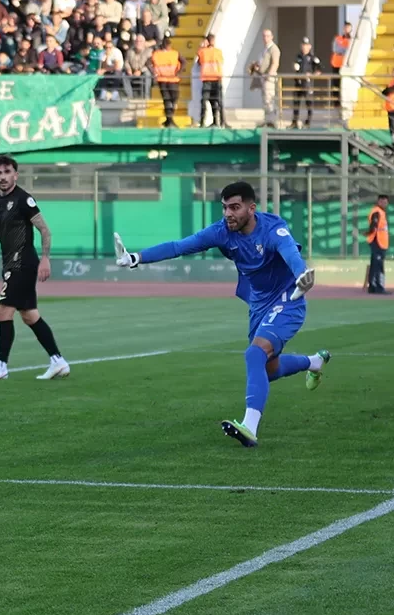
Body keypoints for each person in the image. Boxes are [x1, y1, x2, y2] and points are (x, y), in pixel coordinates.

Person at [114, 181, 325, 447]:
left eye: (235, 207)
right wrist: (136, 258)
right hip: (259, 305)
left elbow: (291, 255)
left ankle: (249, 428)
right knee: (268, 370)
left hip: (288, 299)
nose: (228, 214)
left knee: (254, 354)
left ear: (251, 208)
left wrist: (302, 275)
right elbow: (180, 246)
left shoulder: (273, 228)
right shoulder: (222, 231)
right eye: (225, 207)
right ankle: (313, 362)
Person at [0, 155, 70, 381]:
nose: (3, 177)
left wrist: (45, 258)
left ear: (16, 174)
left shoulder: (24, 199)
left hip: (23, 262)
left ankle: (1, 365)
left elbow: (44, 230)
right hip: (10, 263)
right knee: (29, 315)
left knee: (3, 310)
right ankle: (58, 361)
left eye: (7, 172)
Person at [149, 38, 181, 128]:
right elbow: (148, 62)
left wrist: (154, 72)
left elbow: (183, 61)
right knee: (169, 100)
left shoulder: (172, 53)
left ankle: (168, 120)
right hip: (167, 79)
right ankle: (170, 120)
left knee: (171, 100)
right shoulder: (160, 54)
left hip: (168, 79)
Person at [291, 38, 322, 129]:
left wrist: (312, 75)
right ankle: (294, 122)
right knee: (296, 102)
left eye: (306, 45)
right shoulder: (298, 56)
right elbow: (295, 66)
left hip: (307, 83)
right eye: (303, 45)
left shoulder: (312, 58)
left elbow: (319, 69)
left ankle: (308, 122)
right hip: (298, 82)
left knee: (309, 103)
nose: (304, 47)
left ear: (309, 46)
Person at [366, 194, 390, 295]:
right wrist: (369, 232)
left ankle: (372, 286)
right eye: (383, 202)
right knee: (378, 265)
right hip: (377, 241)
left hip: (380, 241)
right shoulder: (377, 211)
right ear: (379, 201)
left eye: (386, 202)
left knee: (374, 264)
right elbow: (374, 224)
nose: (385, 204)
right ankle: (379, 287)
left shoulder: (381, 212)